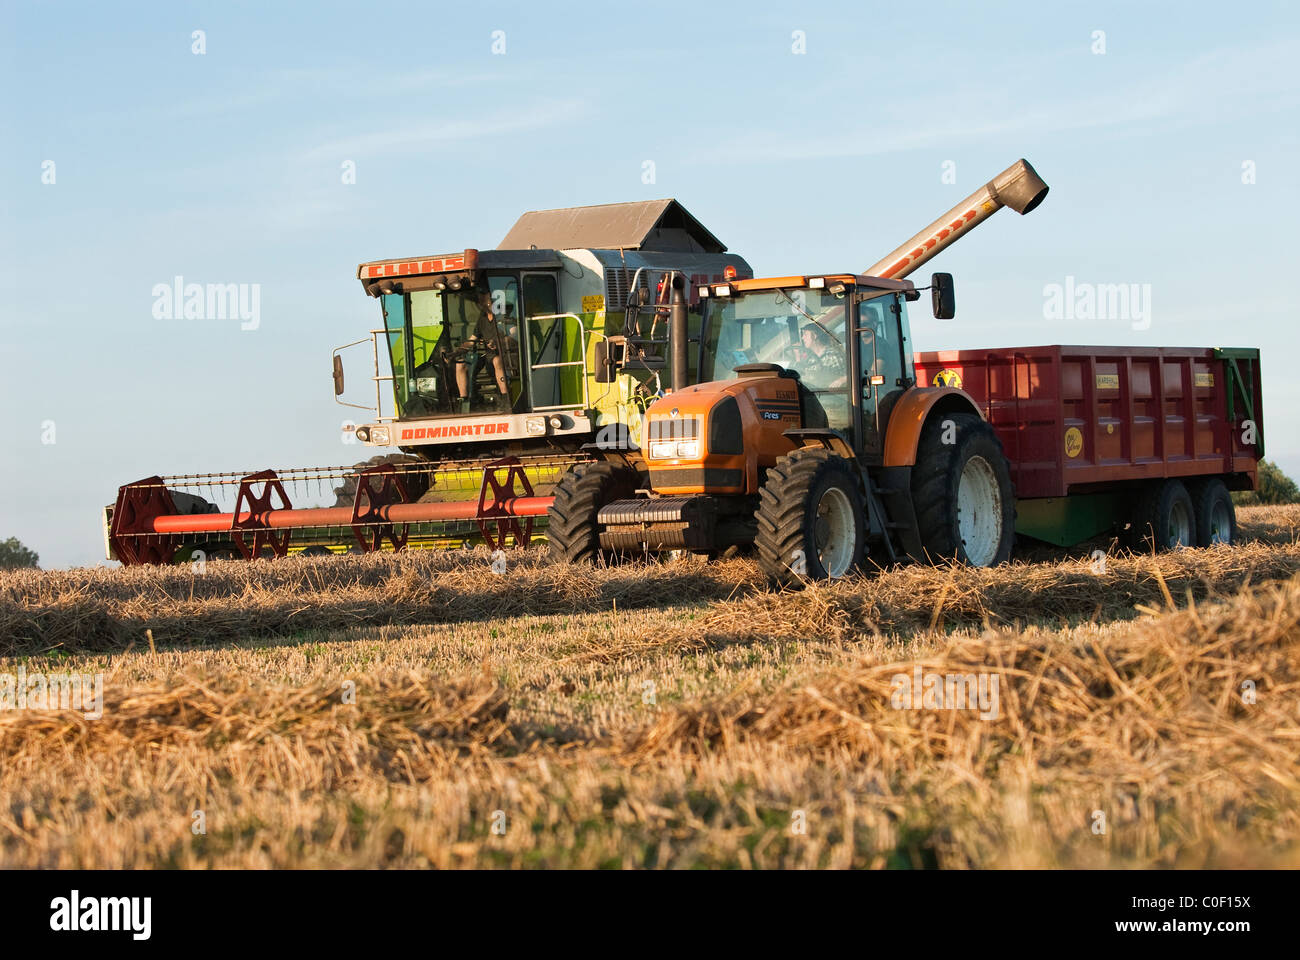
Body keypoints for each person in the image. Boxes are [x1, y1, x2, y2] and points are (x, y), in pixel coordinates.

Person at [786, 323, 846, 389]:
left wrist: (840, 380)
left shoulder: (832, 355)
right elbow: (802, 377)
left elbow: (849, 376)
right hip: (813, 393)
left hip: (830, 394)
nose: (803, 338)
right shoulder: (809, 358)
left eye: (805, 334)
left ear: (814, 336)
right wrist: (798, 356)